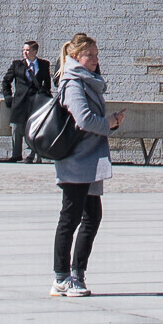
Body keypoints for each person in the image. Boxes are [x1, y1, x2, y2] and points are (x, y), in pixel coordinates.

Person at [51, 32, 124, 296]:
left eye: (96, 55)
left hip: (89, 159)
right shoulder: (73, 83)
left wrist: (110, 121)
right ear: (75, 56)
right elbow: (83, 119)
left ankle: (77, 274)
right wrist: (110, 123)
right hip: (76, 160)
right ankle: (62, 277)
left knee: (91, 217)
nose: (95, 60)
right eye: (89, 55)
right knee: (70, 218)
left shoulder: (88, 81)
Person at [1, 40, 52, 163]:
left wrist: (42, 97)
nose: (25, 52)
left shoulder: (44, 64)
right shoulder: (17, 65)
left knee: (34, 128)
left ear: (35, 51)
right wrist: (8, 97)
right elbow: (6, 81)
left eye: (28, 50)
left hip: (36, 102)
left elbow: (47, 84)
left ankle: (31, 155)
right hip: (20, 102)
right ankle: (16, 154)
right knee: (16, 127)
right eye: (24, 50)